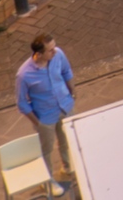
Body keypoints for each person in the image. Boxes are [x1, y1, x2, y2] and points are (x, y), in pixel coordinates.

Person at [15, 34, 77, 194]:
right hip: (45, 117)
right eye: (50, 50)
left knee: (67, 139)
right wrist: (37, 122)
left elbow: (66, 71)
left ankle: (67, 165)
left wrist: (73, 93)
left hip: (65, 106)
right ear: (39, 54)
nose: (54, 52)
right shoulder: (24, 74)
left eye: (54, 47)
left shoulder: (58, 54)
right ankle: (47, 180)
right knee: (46, 151)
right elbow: (22, 103)